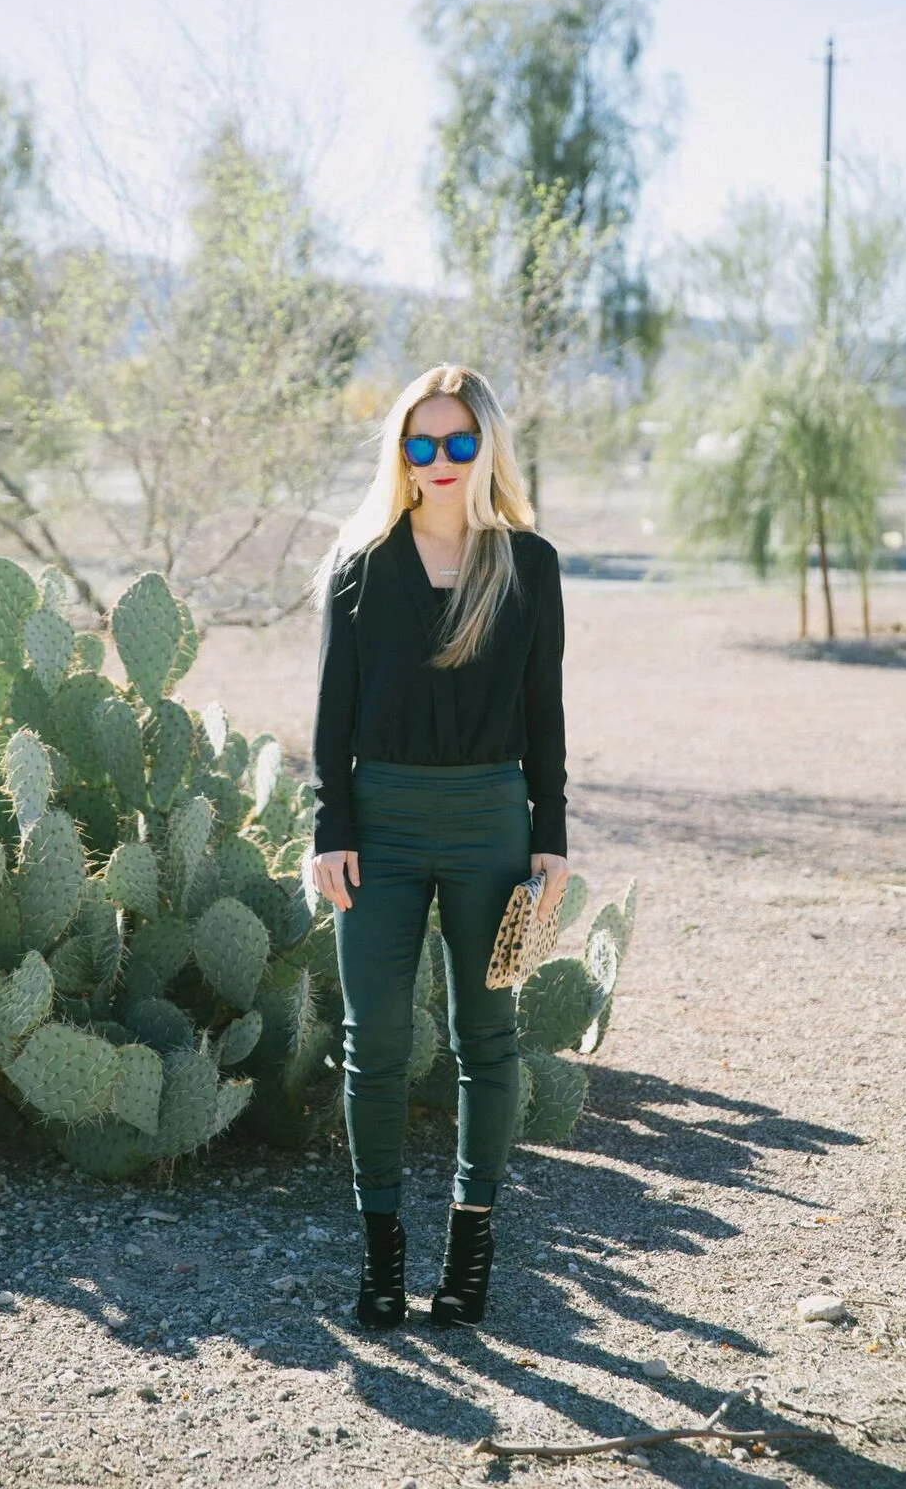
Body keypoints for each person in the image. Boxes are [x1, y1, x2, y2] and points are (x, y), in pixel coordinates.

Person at [308, 363, 569, 1331]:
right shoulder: (360, 562)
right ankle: (381, 1261)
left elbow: (544, 713)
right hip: (375, 822)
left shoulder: (528, 563)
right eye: (421, 443)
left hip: (491, 822)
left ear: (487, 447)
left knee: (485, 1039)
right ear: (400, 454)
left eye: (460, 442)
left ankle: (470, 1254)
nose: (441, 460)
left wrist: (551, 839)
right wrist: (328, 829)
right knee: (371, 1044)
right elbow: (330, 717)